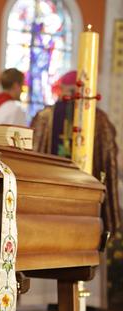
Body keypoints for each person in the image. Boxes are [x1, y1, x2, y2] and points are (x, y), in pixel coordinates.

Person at [31, 70, 121, 236]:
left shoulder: (44, 117)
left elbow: (31, 154)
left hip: (49, 196)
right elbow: (109, 161)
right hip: (87, 199)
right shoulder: (99, 119)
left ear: (63, 88)